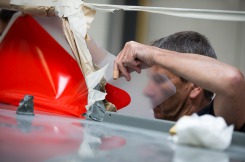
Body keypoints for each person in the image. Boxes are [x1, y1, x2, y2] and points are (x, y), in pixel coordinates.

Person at [113, 31, 245, 132]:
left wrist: (153, 54)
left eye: (159, 80)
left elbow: (232, 80)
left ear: (196, 86)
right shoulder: (157, 125)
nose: (147, 91)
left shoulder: (217, 121)